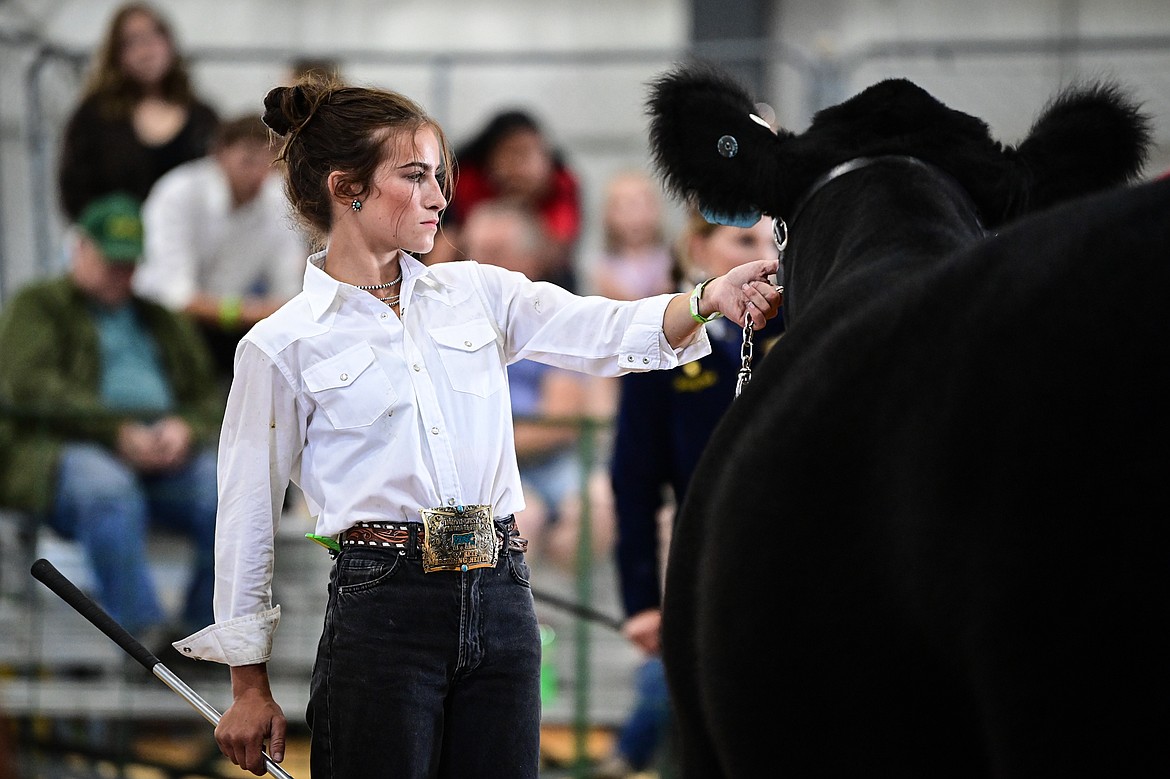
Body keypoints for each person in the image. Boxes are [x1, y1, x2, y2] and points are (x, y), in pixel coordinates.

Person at [170, 74, 780, 778]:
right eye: (415, 175)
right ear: (347, 189)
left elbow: (601, 328)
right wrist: (248, 686)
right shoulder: (281, 343)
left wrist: (707, 297)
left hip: (502, 594)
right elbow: (244, 515)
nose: (439, 195)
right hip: (381, 607)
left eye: (439, 175)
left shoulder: (477, 290)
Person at [596, 208, 784, 779]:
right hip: (707, 560)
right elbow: (634, 480)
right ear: (697, 249)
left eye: (776, 241)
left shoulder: (811, 329)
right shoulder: (669, 342)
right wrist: (641, 601)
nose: (767, 257)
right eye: (743, 240)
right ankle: (628, 759)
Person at [0, 193, 222, 648]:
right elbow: (31, 385)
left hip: (162, 453)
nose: (121, 274)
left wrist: (185, 429)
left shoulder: (159, 319)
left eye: (129, 263)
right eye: (110, 261)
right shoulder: (38, 306)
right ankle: (142, 635)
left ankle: (207, 635)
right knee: (106, 489)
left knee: (225, 492)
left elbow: (208, 394)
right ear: (79, 247)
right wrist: (116, 432)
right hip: (67, 449)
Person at [458, 200, 602, 564]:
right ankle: (518, 619)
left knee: (598, 505)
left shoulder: (551, 321)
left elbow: (560, 422)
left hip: (548, 463)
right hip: (476, 475)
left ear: (529, 262)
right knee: (521, 517)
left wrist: (490, 443)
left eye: (495, 253)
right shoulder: (444, 322)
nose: (479, 265)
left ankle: (573, 619)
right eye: (473, 252)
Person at [133, 114, 309, 384]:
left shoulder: (278, 200)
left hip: (232, 325)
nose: (259, 174)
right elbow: (175, 298)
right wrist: (249, 312)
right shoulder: (178, 193)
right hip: (157, 325)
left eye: (269, 163)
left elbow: (287, 293)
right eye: (248, 160)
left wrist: (259, 313)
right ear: (219, 154)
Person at [57, 2, 219, 222]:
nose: (146, 50)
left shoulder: (203, 117)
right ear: (116, 53)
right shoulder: (93, 117)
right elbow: (74, 193)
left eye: (154, 36)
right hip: (118, 246)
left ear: (169, 42)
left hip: (187, 245)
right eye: (131, 42)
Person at [425, 108, 583, 291]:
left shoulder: (562, 183)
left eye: (528, 155)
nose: (520, 168)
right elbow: (445, 240)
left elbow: (560, 247)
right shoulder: (464, 179)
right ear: (491, 158)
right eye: (512, 154)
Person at [588, 169, 675, 301]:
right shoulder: (604, 266)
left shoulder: (671, 260)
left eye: (640, 204)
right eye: (624, 206)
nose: (634, 215)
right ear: (607, 214)